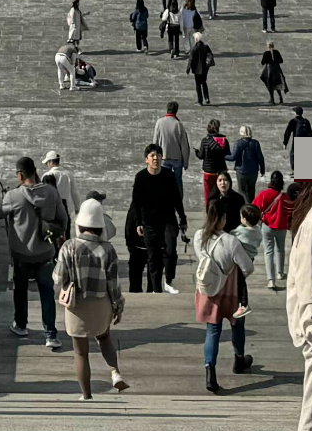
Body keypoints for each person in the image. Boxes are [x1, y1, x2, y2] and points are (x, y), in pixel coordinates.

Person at [57, 197, 129, 396]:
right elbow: (114, 285)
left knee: (81, 352)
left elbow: (57, 277)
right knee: (104, 338)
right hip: (101, 304)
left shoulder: (69, 247)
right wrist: (118, 306)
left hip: (77, 306)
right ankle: (115, 372)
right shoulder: (108, 249)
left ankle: (86, 395)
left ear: (80, 224)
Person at [2, 156, 70, 350]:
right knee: (47, 293)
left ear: (20, 175)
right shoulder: (51, 192)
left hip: (21, 254)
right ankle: (50, 334)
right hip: (46, 253)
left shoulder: (14, 196)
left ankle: (21, 325)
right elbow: (63, 219)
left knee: (20, 291)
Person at [196, 186, 258, 393]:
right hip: (230, 292)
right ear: (222, 218)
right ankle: (239, 360)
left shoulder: (199, 237)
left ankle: (210, 372)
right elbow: (247, 268)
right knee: (237, 326)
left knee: (213, 330)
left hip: (209, 291)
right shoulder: (231, 241)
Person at [127, 144, 187, 296]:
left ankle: (168, 281)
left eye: (158, 155)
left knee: (170, 250)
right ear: (146, 159)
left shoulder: (168, 175)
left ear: (162, 158)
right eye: (152, 156)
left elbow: (176, 198)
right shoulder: (141, 177)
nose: (156, 158)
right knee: (153, 257)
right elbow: (136, 202)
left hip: (168, 220)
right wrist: (138, 223)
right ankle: (155, 289)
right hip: (149, 223)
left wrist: (183, 217)